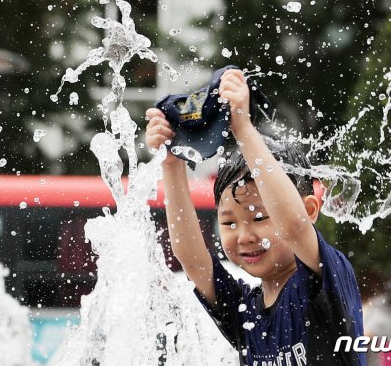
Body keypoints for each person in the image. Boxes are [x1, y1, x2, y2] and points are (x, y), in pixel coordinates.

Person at [145, 68, 365, 365]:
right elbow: (193, 260)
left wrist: (243, 129)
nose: (245, 235)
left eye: (260, 217)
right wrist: (172, 165)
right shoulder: (244, 312)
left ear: (310, 210)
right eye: (229, 223)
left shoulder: (326, 279)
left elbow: (294, 228)